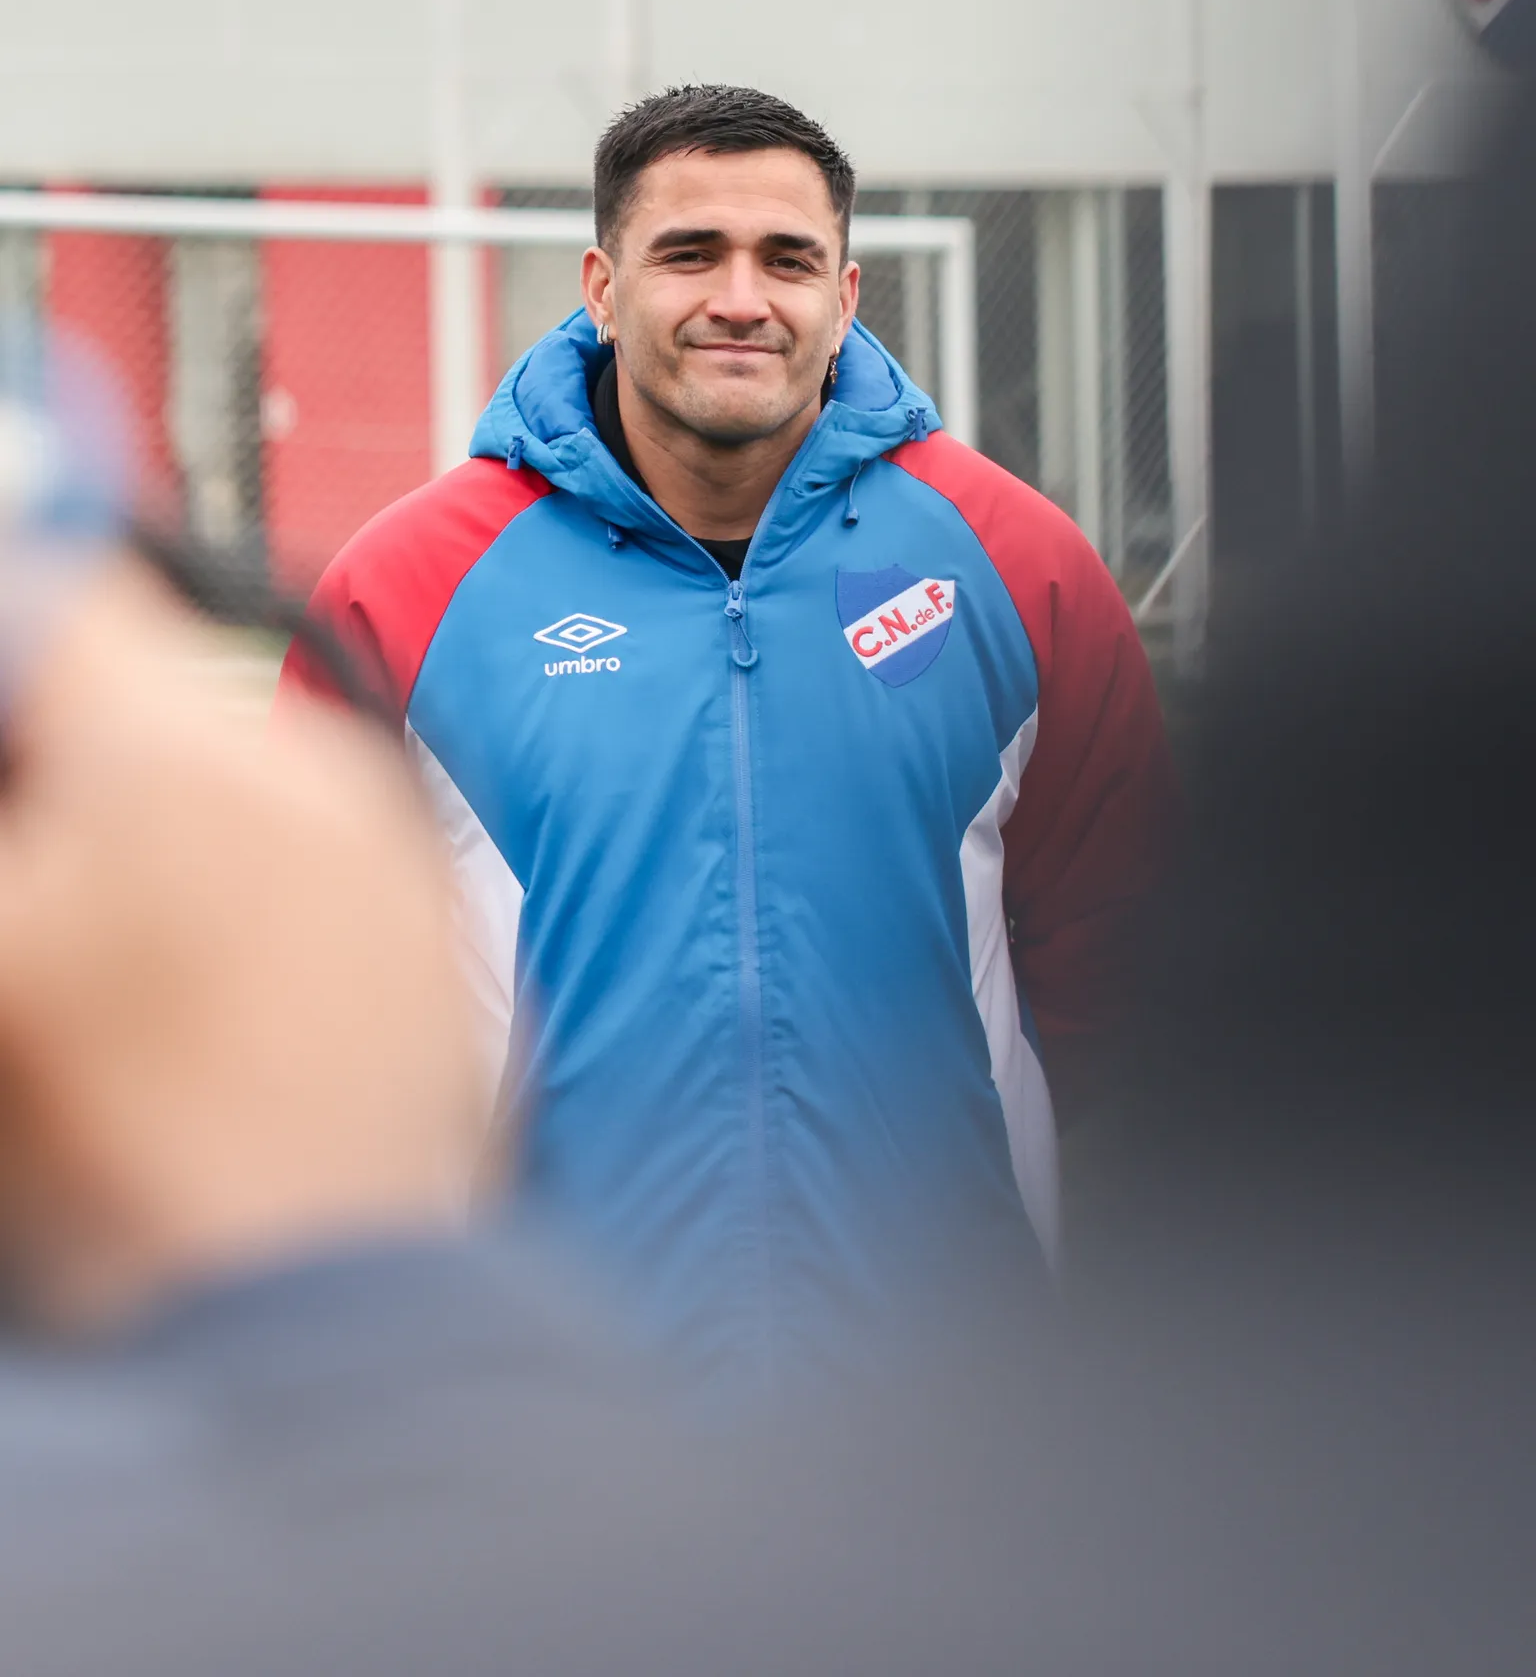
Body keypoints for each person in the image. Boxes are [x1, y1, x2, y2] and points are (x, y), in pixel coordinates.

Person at [281, 84, 1175, 1378]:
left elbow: (1119, 962)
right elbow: (298, 982)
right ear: (602, 288)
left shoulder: (1015, 566)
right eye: (690, 254)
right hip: (545, 1389)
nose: (742, 299)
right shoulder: (407, 588)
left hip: (942, 1386)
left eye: (788, 260)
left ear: (847, 296)